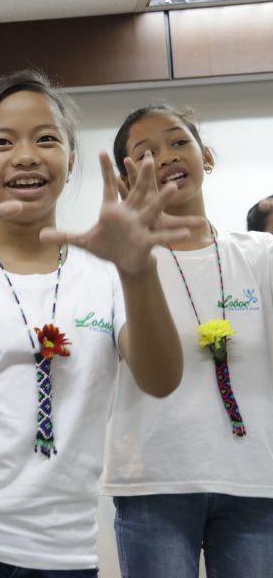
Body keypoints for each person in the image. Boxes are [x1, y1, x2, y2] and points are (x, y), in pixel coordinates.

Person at [0, 70, 196, 576]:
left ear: (71, 161)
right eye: (2, 142)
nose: (26, 155)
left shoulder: (108, 269)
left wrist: (139, 271)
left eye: (46, 139)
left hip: (57, 548)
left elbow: (161, 380)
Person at [104, 104, 273, 577]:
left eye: (179, 142)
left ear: (208, 157)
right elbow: (135, 359)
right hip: (154, 481)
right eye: (145, 153)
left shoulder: (260, 253)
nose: (165, 158)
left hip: (255, 483)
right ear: (124, 179)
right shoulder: (116, 265)